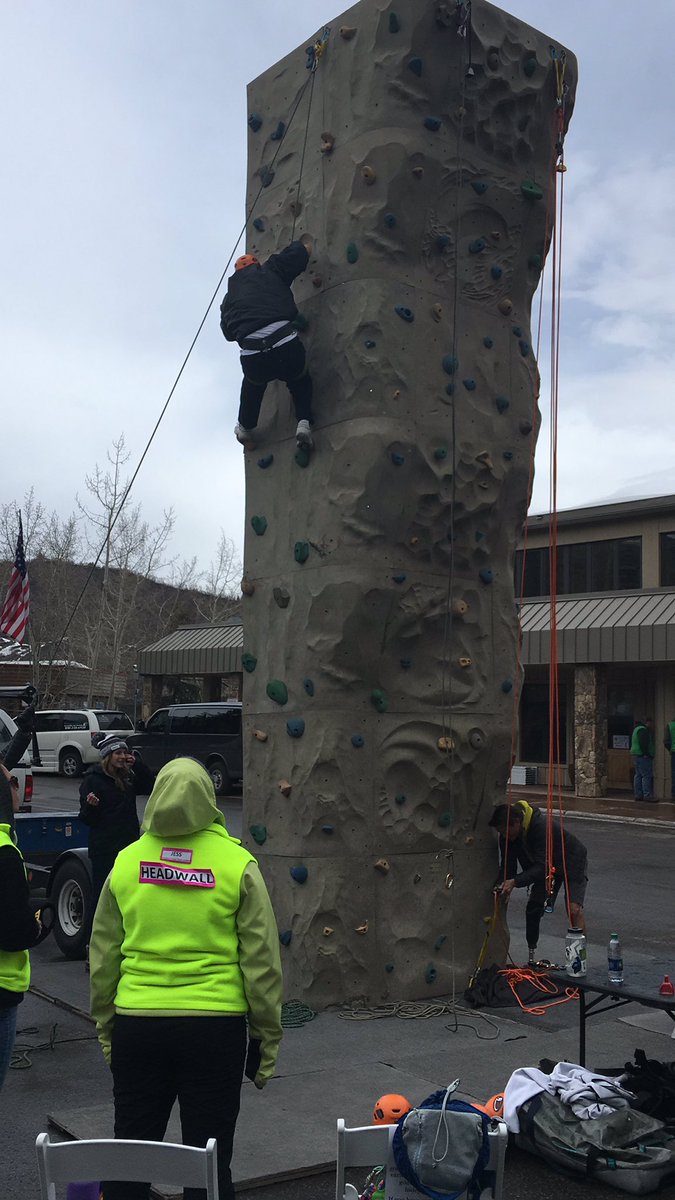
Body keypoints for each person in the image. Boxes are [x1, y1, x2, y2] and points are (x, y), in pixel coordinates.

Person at [89, 757, 283, 1200]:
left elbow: (102, 957)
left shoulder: (126, 863)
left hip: (138, 1025)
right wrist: (266, 1041)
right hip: (215, 1031)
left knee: (129, 1162)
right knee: (209, 1165)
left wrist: (106, 1028)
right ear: (209, 800)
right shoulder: (237, 864)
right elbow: (262, 964)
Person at [220, 236, 315, 450]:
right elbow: (298, 254)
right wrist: (306, 247)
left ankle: (244, 427)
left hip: (253, 355)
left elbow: (228, 333)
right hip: (284, 343)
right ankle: (304, 423)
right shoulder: (270, 271)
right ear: (256, 264)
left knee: (252, 386)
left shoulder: (228, 300)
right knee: (300, 380)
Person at [489, 799, 588, 965]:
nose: (505, 836)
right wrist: (501, 885)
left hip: (570, 860)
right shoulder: (508, 835)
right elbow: (508, 866)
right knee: (534, 908)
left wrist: (515, 882)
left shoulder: (541, 827)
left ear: (516, 822)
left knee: (574, 910)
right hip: (545, 866)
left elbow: (543, 866)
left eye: (506, 832)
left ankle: (580, 958)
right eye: (501, 833)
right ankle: (531, 955)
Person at [0, 761, 42, 1089]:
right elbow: (13, 932)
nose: (16, 786)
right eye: (12, 782)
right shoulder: (5, 853)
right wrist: (37, 925)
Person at [78, 735, 155, 908]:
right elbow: (85, 818)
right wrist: (92, 806)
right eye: (118, 753)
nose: (122, 756)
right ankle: (93, 933)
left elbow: (150, 786)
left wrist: (137, 764)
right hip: (104, 849)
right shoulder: (93, 779)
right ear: (108, 756)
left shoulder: (127, 778)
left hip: (128, 846)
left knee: (127, 894)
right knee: (102, 897)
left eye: (124, 752)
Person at [630, 718, 656, 803]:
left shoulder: (636, 729)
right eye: (651, 723)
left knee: (638, 775)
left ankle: (638, 794)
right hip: (642, 755)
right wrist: (646, 754)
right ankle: (647, 795)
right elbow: (644, 743)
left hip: (636, 754)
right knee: (646, 775)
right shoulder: (643, 730)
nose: (652, 725)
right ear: (648, 722)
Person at [663, 717, 675, 801]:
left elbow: (666, 741)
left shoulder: (670, 725)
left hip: (674, 752)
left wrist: (670, 749)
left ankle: (674, 794)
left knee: (674, 773)